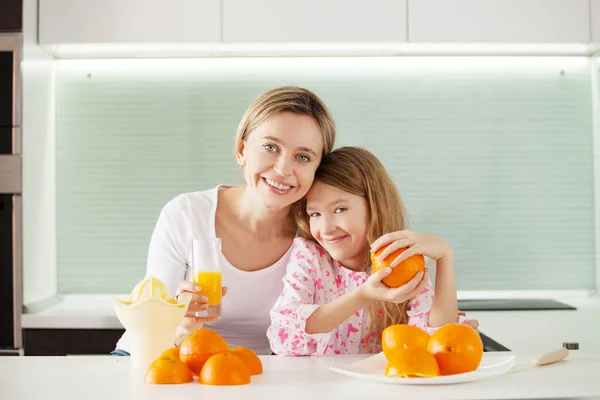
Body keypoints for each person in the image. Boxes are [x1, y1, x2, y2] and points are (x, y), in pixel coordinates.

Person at [112, 86, 336, 356]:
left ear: (316, 169)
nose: (283, 169)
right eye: (270, 147)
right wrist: (180, 323)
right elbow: (149, 329)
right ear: (242, 151)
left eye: (303, 157)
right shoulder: (186, 214)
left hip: (257, 370)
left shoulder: (321, 233)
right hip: (162, 357)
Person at [267, 146, 474, 356]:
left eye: (340, 209)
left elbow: (436, 344)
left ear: (374, 207)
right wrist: (363, 295)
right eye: (315, 214)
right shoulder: (309, 256)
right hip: (320, 386)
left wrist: (445, 258)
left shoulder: (400, 259)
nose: (326, 228)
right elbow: (285, 338)